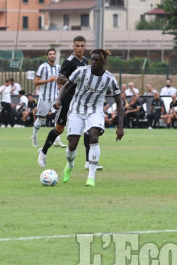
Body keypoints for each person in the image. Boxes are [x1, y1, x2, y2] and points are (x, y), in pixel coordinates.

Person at [56, 49, 123, 187]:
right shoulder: (81, 71)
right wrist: (58, 100)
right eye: (92, 59)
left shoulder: (109, 79)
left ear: (103, 62)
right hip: (76, 110)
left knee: (93, 137)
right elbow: (66, 86)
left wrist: (120, 127)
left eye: (96, 60)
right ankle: (70, 165)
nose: (93, 62)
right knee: (72, 144)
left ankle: (91, 176)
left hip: (95, 111)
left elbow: (119, 103)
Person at [38, 36, 89, 168]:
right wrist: (73, 83)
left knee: (88, 128)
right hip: (67, 100)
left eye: (82, 46)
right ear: (73, 46)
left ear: (85, 47)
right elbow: (59, 79)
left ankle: (89, 161)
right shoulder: (69, 61)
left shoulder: (85, 61)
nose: (80, 48)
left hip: (79, 101)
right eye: (77, 46)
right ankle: (43, 152)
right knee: (59, 129)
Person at [31, 48, 60, 147]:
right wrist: (48, 80)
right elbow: (35, 82)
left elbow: (60, 81)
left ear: (56, 56)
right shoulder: (43, 67)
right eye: (50, 54)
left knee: (60, 115)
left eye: (53, 54)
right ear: (47, 56)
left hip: (55, 97)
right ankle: (34, 135)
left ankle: (57, 140)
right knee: (41, 120)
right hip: (44, 98)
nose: (52, 55)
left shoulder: (58, 68)